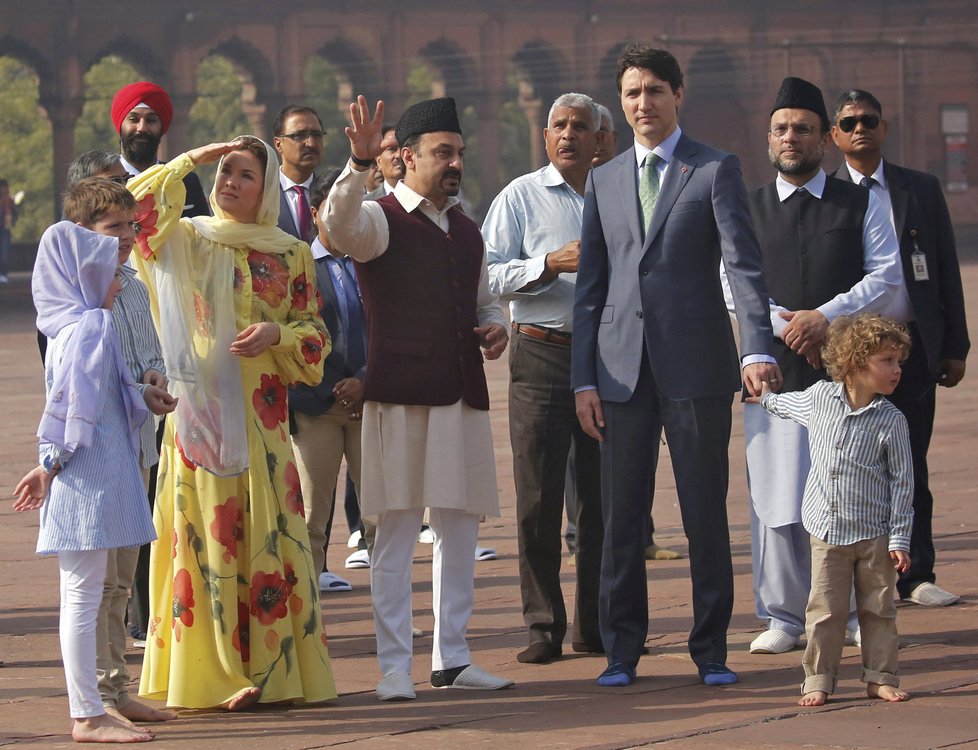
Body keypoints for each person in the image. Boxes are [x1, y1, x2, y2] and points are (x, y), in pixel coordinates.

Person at [572, 44, 780, 688]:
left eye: (655, 91)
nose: (643, 104)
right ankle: (621, 651)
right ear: (621, 102)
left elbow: (743, 266)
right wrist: (584, 377)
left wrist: (756, 347)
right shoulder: (604, 179)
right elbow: (591, 288)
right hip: (619, 372)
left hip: (697, 368)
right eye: (632, 93)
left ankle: (710, 649)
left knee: (703, 514)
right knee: (620, 518)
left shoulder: (714, 169)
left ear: (678, 94)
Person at [126, 136, 336, 709]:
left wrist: (279, 335)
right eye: (225, 172)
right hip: (201, 419)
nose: (229, 181)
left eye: (245, 174)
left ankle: (270, 671)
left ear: (266, 189)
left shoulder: (291, 253)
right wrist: (193, 157)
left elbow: (316, 338)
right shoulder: (189, 240)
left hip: (265, 424)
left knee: (266, 535)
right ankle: (214, 673)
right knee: (205, 537)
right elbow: (133, 208)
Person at [321, 95, 514, 701]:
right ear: (404, 158)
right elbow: (335, 226)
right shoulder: (378, 219)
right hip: (400, 396)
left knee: (458, 531)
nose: (454, 163)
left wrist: (494, 327)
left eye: (458, 153)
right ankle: (394, 667)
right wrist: (357, 162)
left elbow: (483, 301)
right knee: (397, 534)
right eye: (442, 153)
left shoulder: (467, 229)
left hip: (460, 395)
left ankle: (452, 658)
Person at [734, 77, 902, 656]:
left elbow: (885, 275)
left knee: (853, 493)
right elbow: (733, 283)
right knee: (777, 498)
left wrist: (825, 317)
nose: (791, 138)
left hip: (847, 376)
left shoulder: (861, 201)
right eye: (781, 128)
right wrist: (788, 325)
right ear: (769, 137)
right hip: (775, 373)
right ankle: (782, 615)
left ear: (824, 140)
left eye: (804, 128)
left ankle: (853, 613)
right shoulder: (747, 206)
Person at [13, 220, 173, 743]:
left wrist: (140, 395)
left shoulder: (73, 323)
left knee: (84, 592)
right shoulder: (91, 325)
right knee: (83, 594)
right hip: (89, 479)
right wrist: (50, 463)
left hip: (88, 476)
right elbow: (70, 406)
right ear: (85, 275)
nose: (119, 281)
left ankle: (98, 704)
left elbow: (101, 390)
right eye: (109, 272)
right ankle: (87, 712)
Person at [831, 88, 971, 608]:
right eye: (849, 122)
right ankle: (855, 578)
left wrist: (954, 344)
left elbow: (943, 269)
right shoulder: (827, 194)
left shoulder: (919, 190)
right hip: (851, 358)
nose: (860, 128)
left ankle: (917, 574)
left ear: (884, 128)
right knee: (849, 468)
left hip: (909, 350)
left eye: (869, 119)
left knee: (911, 461)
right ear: (834, 136)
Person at [484, 92, 604, 663]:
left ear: (600, 139)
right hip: (541, 353)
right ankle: (542, 624)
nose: (568, 135)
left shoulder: (620, 193)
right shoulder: (520, 197)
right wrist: (547, 264)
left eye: (581, 126)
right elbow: (486, 275)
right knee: (538, 495)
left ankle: (596, 624)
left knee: (601, 498)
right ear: (544, 134)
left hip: (607, 357)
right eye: (559, 125)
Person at [750, 313, 914, 707]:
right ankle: (819, 678)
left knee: (879, 610)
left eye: (898, 362)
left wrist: (900, 538)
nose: (896, 370)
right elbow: (785, 405)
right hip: (826, 532)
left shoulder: (892, 421)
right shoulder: (820, 399)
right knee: (824, 611)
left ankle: (880, 676)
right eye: (887, 361)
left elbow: (903, 483)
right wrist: (765, 397)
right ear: (856, 364)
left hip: (874, 536)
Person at [61, 176, 176, 726]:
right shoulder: (72, 298)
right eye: (114, 228)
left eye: (131, 226)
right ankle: (97, 701)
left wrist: (151, 379)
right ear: (81, 234)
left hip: (136, 445)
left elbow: (149, 354)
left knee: (123, 576)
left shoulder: (129, 285)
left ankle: (115, 689)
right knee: (96, 582)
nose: (127, 237)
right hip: (94, 451)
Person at [289, 168, 365, 593]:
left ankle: (390, 619)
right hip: (317, 405)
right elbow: (293, 331)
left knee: (380, 515)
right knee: (311, 516)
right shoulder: (296, 265)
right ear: (316, 213)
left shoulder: (372, 262)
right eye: (335, 210)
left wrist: (366, 380)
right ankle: (306, 617)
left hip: (369, 402)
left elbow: (389, 329)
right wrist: (335, 385)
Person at [110, 81, 209, 217]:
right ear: (120, 125)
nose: (142, 128)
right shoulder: (103, 182)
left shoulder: (186, 181)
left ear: (162, 128)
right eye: (133, 119)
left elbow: (201, 234)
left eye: (151, 121)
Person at [273, 105, 324, 243]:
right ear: (278, 144)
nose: (311, 143)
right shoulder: (262, 195)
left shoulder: (330, 194)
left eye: (316, 135)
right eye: (300, 135)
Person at [365, 126, 404, 199]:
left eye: (403, 148)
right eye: (392, 149)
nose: (399, 155)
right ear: (379, 161)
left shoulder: (428, 200)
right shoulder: (365, 205)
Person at [0, 178, 19, 284]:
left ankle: (3, 273)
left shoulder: (9, 200)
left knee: (4, 251)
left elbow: (15, 212)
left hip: (5, 228)